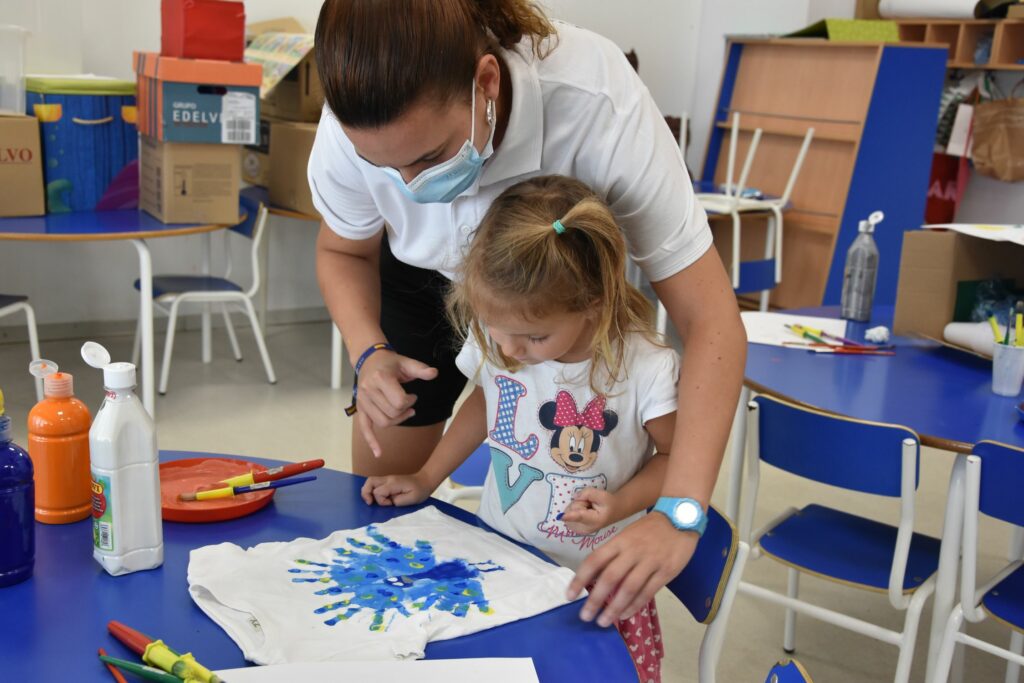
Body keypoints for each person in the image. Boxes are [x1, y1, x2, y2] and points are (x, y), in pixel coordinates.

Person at [309, 0, 746, 627]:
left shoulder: (597, 103)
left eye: (429, 158)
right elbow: (343, 250)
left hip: (551, 278)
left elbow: (712, 321)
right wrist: (369, 352)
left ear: (486, 82)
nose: (407, 188)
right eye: (382, 168)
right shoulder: (353, 122)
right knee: (382, 522)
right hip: (417, 279)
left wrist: (681, 511)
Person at [362, 175, 679, 682]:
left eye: (533, 337)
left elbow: (674, 459)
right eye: (497, 330)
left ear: (594, 303)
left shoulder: (646, 367)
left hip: (594, 584)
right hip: (501, 558)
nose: (509, 350)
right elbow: (486, 401)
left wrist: (622, 505)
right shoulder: (504, 334)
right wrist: (426, 477)